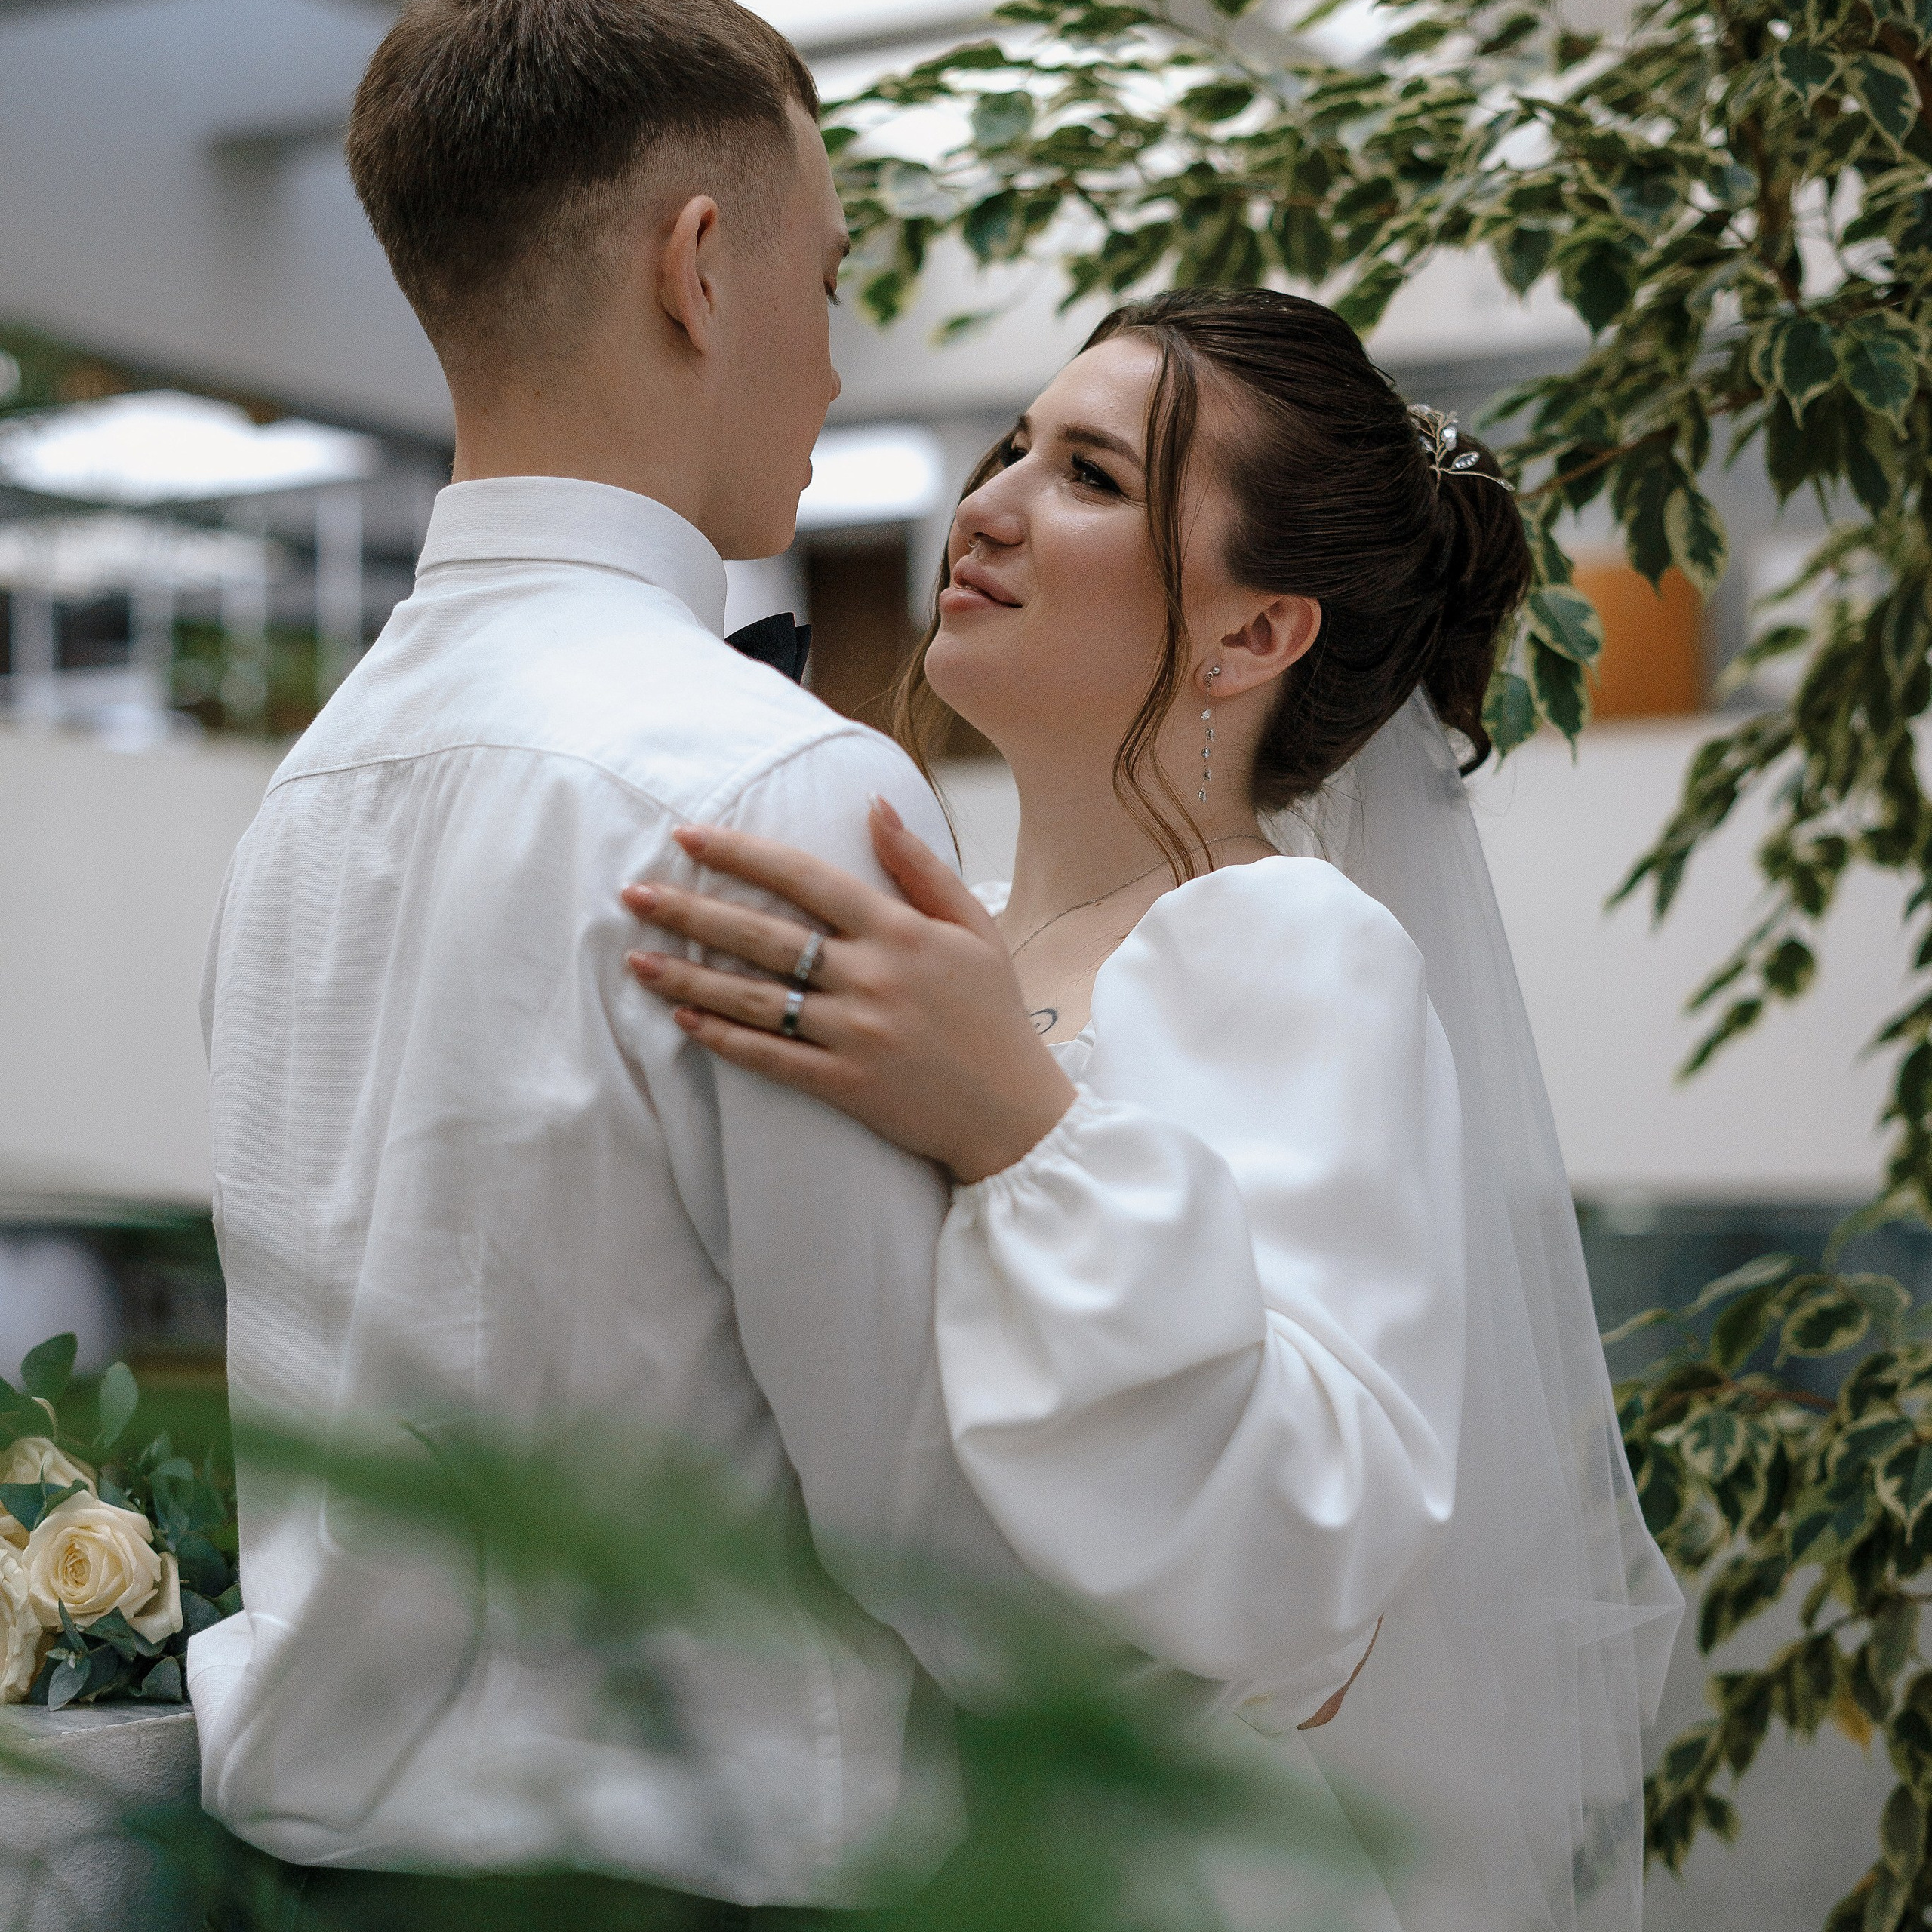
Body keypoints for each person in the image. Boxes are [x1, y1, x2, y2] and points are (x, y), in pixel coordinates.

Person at [187, 4, 1441, 1926]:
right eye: (833, 277)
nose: (854, 371)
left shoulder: (310, 788)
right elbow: (926, 1518)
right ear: (700, 269)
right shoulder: (767, 783)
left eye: (1085, 472)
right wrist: (1244, 1652)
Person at [623, 288, 1686, 1932]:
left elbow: (1310, 1556)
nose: (982, 505)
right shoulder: (940, 929)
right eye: (1010, 448)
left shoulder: (1287, 939)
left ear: (1254, 634)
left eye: (1092, 478)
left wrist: (1022, 1129)